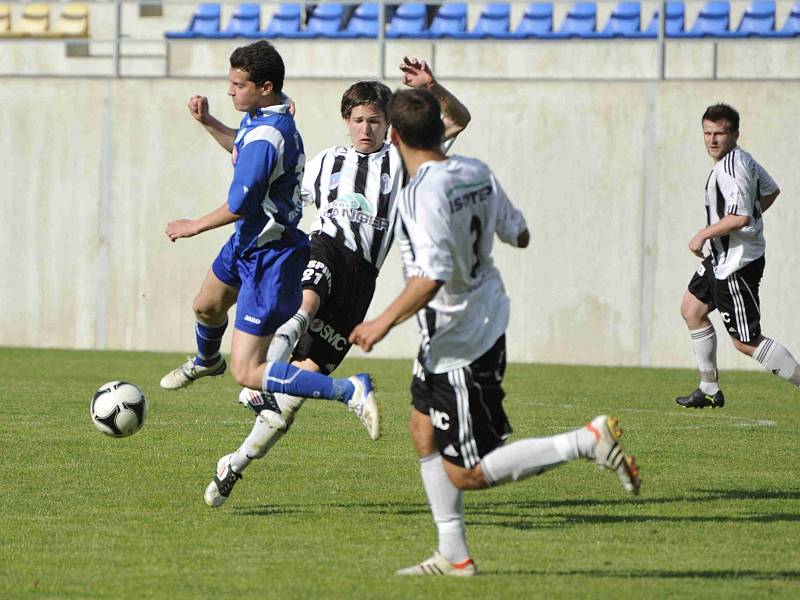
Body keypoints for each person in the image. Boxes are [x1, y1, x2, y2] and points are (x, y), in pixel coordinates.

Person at [349, 88, 641, 576]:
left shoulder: (419, 194)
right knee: (422, 430)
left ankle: (586, 441)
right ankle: (454, 554)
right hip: (460, 327)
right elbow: (520, 234)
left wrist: (380, 322)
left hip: (462, 339)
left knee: (466, 472)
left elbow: (433, 274)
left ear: (394, 136)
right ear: (439, 131)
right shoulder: (475, 170)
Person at [195, 57, 471, 505]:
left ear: (389, 126)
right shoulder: (325, 163)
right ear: (347, 122)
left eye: (375, 121)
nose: (366, 128)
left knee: (293, 397)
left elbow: (459, 120)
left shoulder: (405, 162)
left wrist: (432, 86)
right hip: (321, 248)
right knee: (306, 304)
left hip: (361, 281)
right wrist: (210, 123)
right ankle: (253, 386)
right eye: (358, 120)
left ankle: (237, 462)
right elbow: (252, 155)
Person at [159, 41, 378, 507]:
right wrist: (209, 122)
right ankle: (205, 360)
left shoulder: (269, 135)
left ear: (265, 88)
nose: (230, 91)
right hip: (248, 244)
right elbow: (243, 148)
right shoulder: (263, 120)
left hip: (269, 256)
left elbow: (239, 202)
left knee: (250, 371)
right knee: (206, 304)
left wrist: (192, 225)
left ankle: (347, 390)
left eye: (238, 85)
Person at [677, 103, 800, 409]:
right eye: (707, 133)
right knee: (692, 309)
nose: (712, 140)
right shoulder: (740, 160)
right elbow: (770, 192)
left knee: (745, 341)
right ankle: (708, 388)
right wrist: (750, 218)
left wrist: (704, 232)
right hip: (720, 258)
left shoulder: (734, 168)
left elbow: (742, 216)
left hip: (737, 262)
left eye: (719, 133)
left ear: (735, 134)